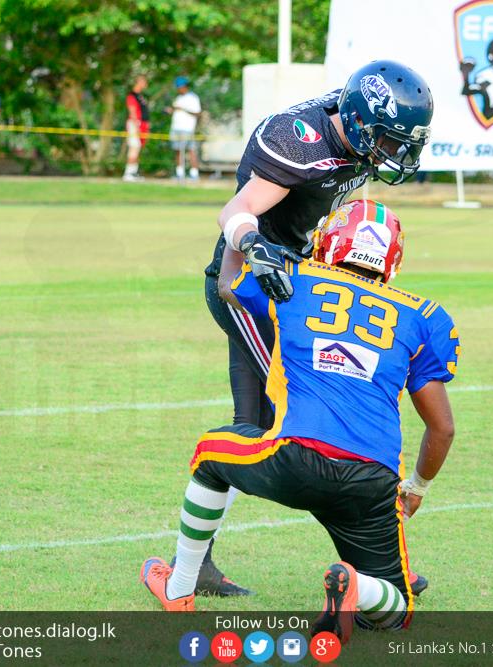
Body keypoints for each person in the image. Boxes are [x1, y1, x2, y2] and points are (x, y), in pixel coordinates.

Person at [140, 200, 459, 644]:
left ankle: (178, 589)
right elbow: (442, 428)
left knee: (210, 453)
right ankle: (358, 588)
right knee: (395, 609)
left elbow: (230, 285)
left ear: (329, 240)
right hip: (373, 482)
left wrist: (241, 229)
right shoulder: (423, 316)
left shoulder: (296, 278)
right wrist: (417, 487)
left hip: (295, 458)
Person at [188, 60, 434, 597]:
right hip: (250, 292)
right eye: (391, 141)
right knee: (291, 421)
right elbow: (239, 207)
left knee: (284, 422)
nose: (396, 154)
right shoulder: (298, 139)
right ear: (363, 124)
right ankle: (369, 561)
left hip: (298, 290)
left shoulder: (355, 125)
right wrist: (256, 247)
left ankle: (371, 562)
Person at [166, 76, 202, 181]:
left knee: (191, 150)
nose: (178, 89)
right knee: (177, 150)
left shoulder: (193, 98)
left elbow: (197, 113)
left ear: (184, 86)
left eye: (179, 87)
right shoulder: (178, 98)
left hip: (187, 128)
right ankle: (179, 173)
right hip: (176, 127)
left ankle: (194, 174)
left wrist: (183, 109)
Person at [123, 75, 150, 182]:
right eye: (144, 81)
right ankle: (128, 173)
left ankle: (133, 172)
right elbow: (133, 112)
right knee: (134, 147)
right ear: (139, 81)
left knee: (137, 148)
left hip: (142, 124)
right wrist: (136, 126)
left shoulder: (140, 96)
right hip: (135, 124)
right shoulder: (132, 96)